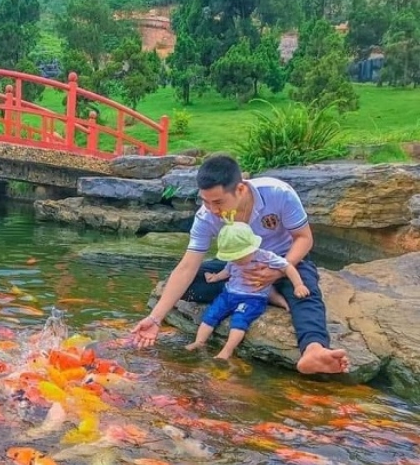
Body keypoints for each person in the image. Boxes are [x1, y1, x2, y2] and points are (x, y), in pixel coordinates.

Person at [130, 153, 350, 375]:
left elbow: (304, 238)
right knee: (191, 282)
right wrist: (155, 318)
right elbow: (187, 266)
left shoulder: (278, 193)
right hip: (237, 266)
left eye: (218, 202)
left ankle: (313, 349)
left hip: (283, 259)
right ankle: (263, 293)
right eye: (205, 201)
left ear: (241, 189)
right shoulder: (205, 217)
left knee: (304, 290)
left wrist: (277, 270)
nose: (213, 209)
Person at [184, 217, 310, 359]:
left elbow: (287, 266)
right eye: (233, 257)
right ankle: (199, 342)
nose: (237, 260)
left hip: (253, 298)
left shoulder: (266, 256)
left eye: (240, 257)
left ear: (252, 247)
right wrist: (216, 277)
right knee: (211, 315)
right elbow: (227, 270)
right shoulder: (233, 260)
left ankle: (227, 350)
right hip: (229, 293)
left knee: (239, 320)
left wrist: (298, 285)